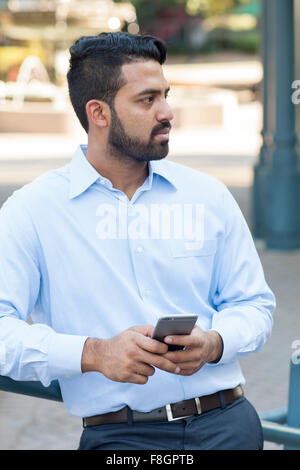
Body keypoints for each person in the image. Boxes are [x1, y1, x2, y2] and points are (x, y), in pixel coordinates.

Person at [0, 32, 275, 450]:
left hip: (228, 426)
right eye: (147, 100)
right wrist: (94, 354)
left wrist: (215, 342)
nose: (167, 112)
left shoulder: (208, 196)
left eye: (166, 94)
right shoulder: (32, 212)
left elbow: (254, 305)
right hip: (120, 439)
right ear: (99, 112)